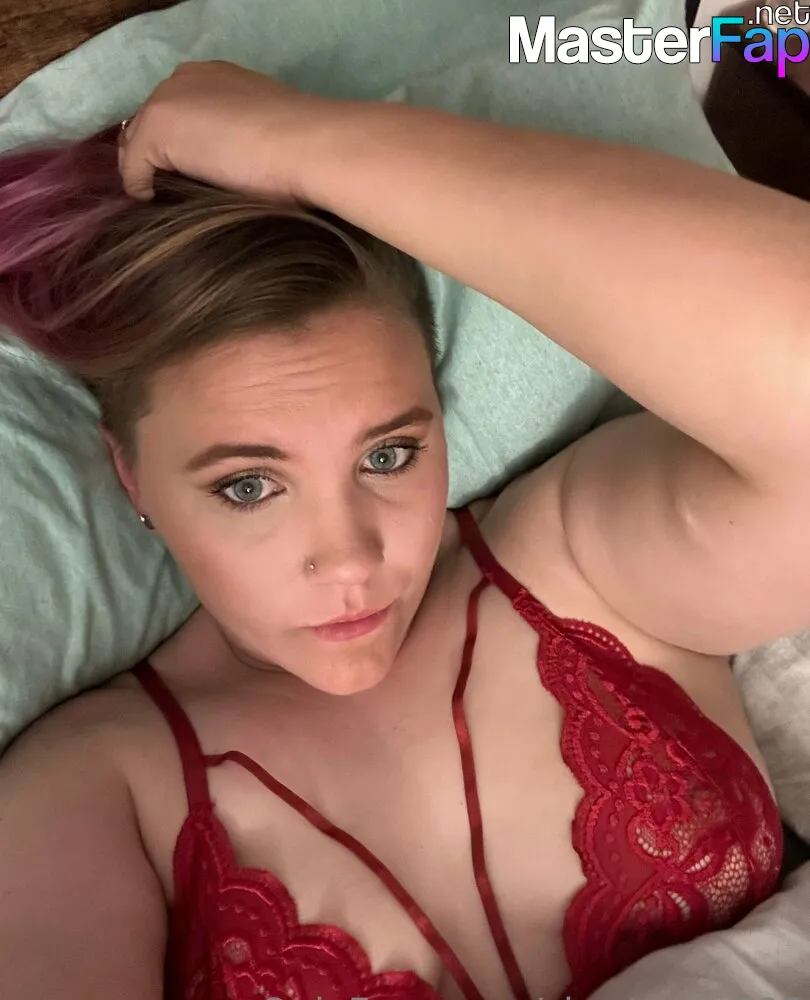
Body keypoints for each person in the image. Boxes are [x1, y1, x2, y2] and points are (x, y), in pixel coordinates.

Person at [0, 60, 807, 1000]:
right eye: (249, 485)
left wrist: (298, 142)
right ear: (131, 473)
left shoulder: (579, 567)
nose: (350, 557)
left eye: (388, 456)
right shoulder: (96, 793)